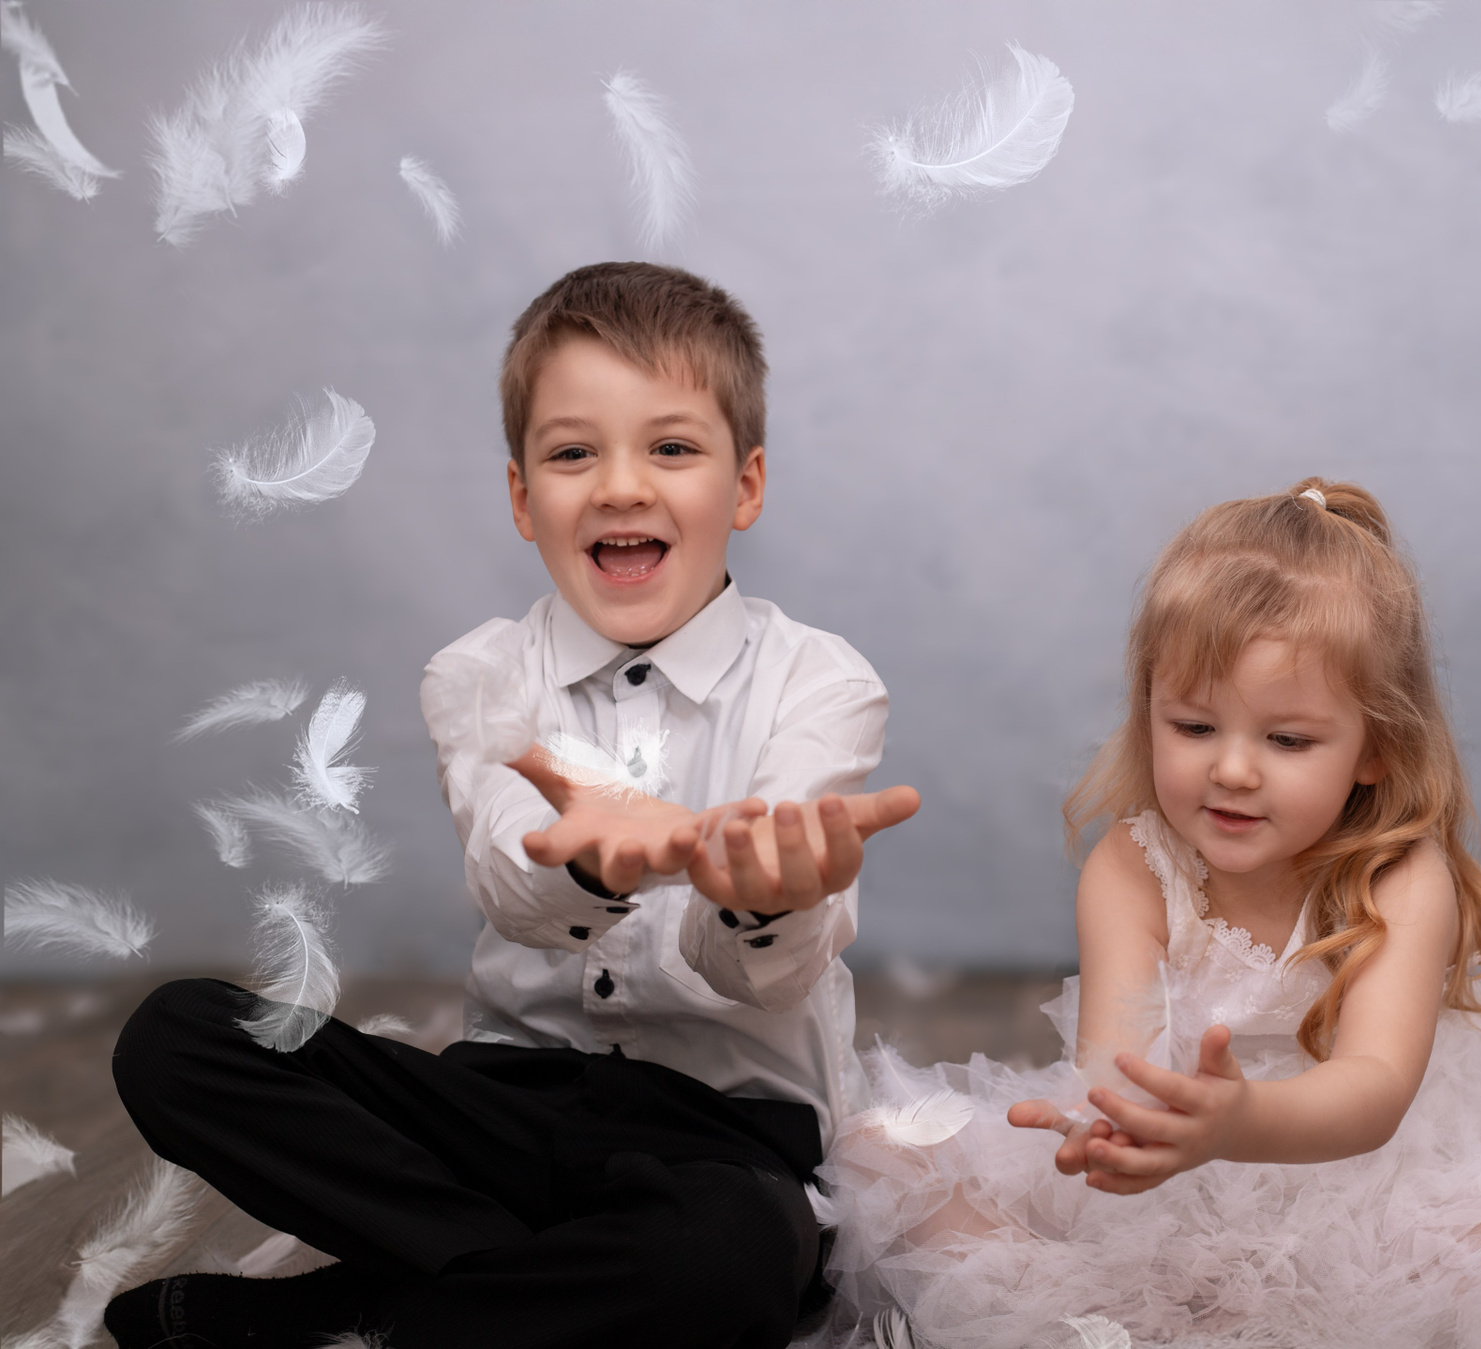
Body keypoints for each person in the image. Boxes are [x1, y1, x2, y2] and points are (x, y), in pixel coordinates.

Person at [107, 262, 919, 1349]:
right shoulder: (479, 672)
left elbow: (757, 968)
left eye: (671, 448)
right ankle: (537, 1296)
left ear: (746, 486)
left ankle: (344, 1316)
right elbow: (507, 878)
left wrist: (760, 897)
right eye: (574, 452)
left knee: (730, 1252)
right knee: (178, 1037)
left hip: (723, 1140)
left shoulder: (820, 683)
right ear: (523, 496)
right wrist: (586, 860)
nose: (621, 486)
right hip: (501, 1107)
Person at [819, 482, 1481, 1349]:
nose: (1233, 768)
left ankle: (1217, 1319)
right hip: (1177, 1194)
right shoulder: (1135, 864)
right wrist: (1112, 1125)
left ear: (1376, 747)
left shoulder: (1399, 877)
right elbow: (1119, 1052)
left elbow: (1373, 1088)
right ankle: (1152, 1311)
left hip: (1378, 1196)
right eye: (1193, 725)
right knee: (878, 1154)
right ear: (1147, 710)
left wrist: (1240, 1117)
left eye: (1287, 739)